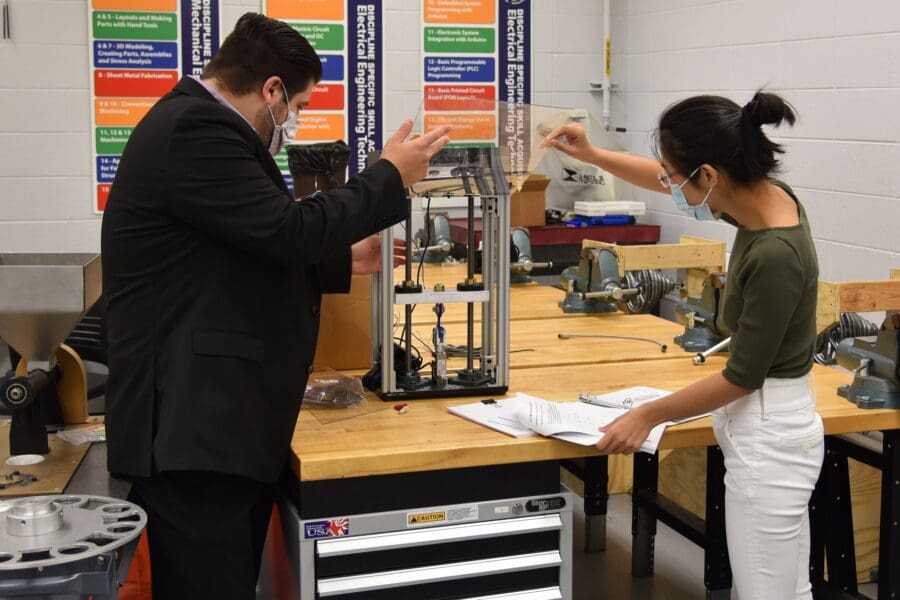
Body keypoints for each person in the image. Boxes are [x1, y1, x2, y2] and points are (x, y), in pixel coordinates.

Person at [101, 12, 450, 598]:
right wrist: (388, 177)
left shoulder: (196, 125)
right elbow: (284, 232)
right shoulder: (196, 130)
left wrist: (345, 258)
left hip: (208, 426)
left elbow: (240, 247)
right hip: (192, 431)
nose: (295, 119)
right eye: (300, 105)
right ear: (272, 89)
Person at [543, 91, 822, 599]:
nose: (667, 183)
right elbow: (667, 178)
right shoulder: (765, 201)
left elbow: (742, 377)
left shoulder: (776, 254)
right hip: (769, 424)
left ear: (710, 175)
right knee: (781, 588)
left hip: (770, 432)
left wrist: (647, 415)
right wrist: (593, 156)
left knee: (767, 593)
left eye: (674, 174)